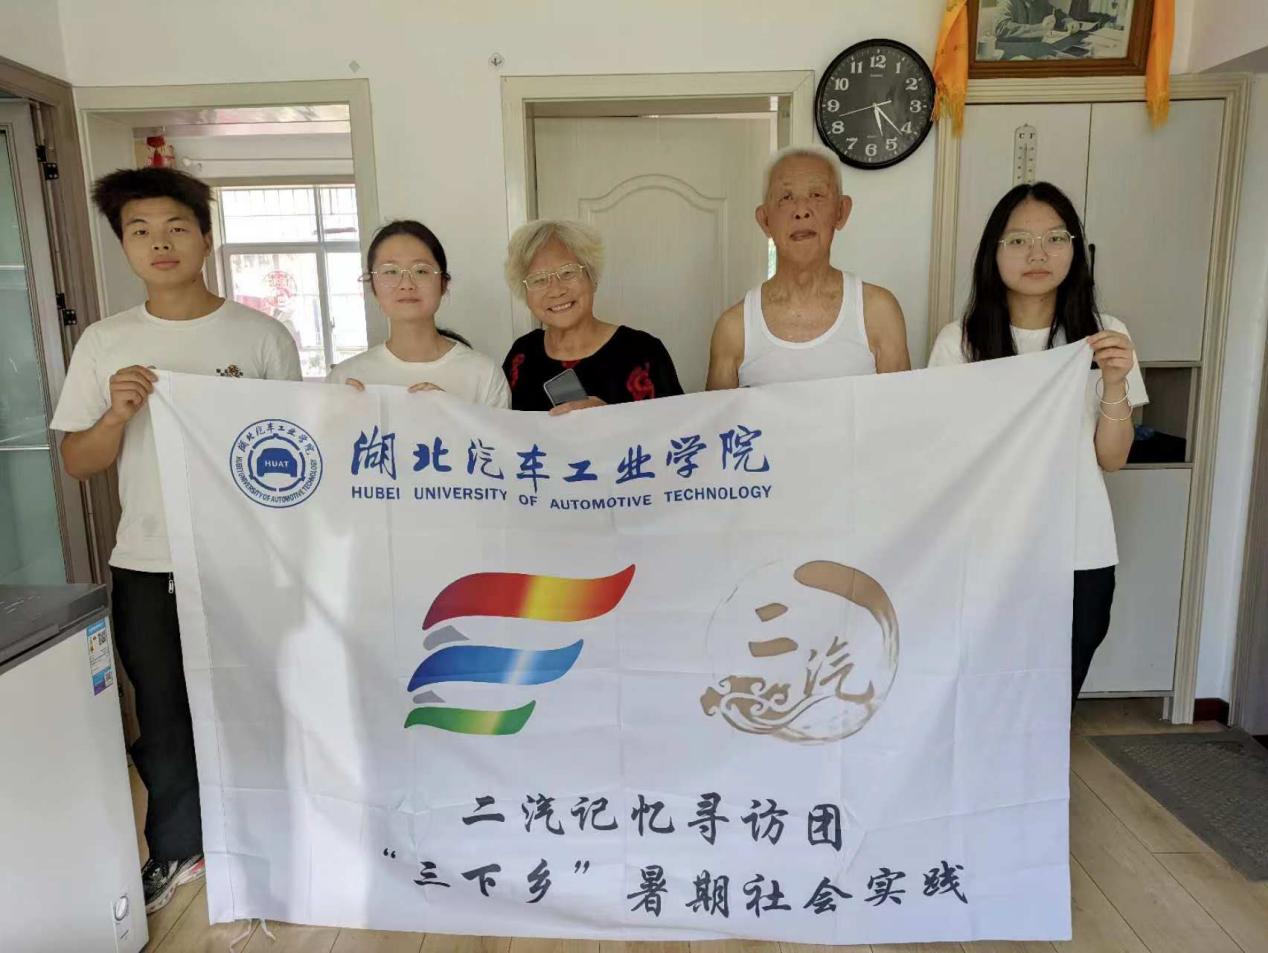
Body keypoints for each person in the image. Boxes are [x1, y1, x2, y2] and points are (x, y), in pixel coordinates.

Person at [49, 167, 302, 913]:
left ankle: (271, 842)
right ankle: (176, 848)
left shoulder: (260, 336)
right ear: (124, 246)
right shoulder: (106, 342)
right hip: (147, 559)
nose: (160, 243)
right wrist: (114, 416)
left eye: (176, 228)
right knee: (162, 713)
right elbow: (77, 461)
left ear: (206, 238)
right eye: (141, 231)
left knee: (258, 703)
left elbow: (297, 452)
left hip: (247, 561)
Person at [927, 181, 1147, 702]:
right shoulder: (960, 342)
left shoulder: (1105, 336)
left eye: (1054, 238)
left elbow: (1112, 458)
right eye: (1019, 240)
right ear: (993, 253)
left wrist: (1115, 382)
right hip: (989, 553)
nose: (1038, 254)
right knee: (983, 694)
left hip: (1079, 548)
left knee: (1055, 697)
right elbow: (944, 458)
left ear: (1075, 249)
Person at [706, 146, 910, 391]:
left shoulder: (878, 312)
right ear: (765, 220)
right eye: (786, 197)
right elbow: (718, 416)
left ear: (841, 211)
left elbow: (899, 411)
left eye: (816, 195)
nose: (802, 211)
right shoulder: (734, 328)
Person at [502, 219, 682, 413]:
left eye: (568, 272)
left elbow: (678, 427)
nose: (556, 290)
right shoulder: (521, 354)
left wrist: (608, 417)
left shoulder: (644, 352)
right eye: (538, 280)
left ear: (593, 278)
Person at [328, 220, 509, 407]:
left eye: (421, 271)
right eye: (390, 271)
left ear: (443, 283)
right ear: (373, 287)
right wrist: (350, 417)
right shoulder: (343, 379)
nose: (406, 284)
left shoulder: (485, 376)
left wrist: (452, 412)